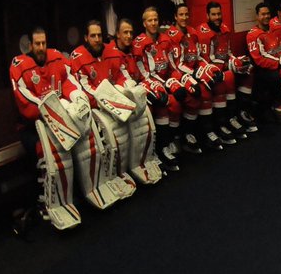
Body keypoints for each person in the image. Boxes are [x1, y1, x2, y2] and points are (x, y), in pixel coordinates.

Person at [10, 27, 94, 230]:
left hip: (59, 121)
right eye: (37, 44)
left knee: (84, 138)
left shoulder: (56, 57)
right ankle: (46, 201)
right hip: (31, 127)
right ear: (30, 45)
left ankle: (72, 195)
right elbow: (27, 105)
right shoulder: (19, 65)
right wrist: (53, 114)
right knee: (47, 151)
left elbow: (69, 82)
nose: (41, 47)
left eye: (43, 43)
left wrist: (77, 98)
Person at [68, 19, 143, 200]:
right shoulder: (78, 57)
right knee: (112, 134)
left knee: (129, 128)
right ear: (86, 37)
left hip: (113, 104)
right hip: (96, 107)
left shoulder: (112, 52)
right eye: (93, 36)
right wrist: (107, 100)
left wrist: (126, 91)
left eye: (99, 35)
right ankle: (106, 177)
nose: (97, 39)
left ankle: (122, 171)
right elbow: (84, 88)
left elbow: (122, 77)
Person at [109, 17, 166, 181]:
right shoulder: (111, 54)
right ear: (117, 34)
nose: (128, 36)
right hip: (120, 96)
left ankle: (151, 155)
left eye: (130, 33)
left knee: (160, 102)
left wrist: (153, 87)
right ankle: (134, 163)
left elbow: (142, 74)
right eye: (125, 33)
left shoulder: (135, 49)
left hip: (137, 89)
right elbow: (122, 80)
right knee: (143, 112)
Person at [168, 3, 227, 152]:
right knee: (200, 90)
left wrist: (208, 68)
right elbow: (177, 64)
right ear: (175, 17)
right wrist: (196, 74)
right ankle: (187, 134)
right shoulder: (172, 36)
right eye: (181, 15)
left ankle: (208, 130)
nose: (184, 17)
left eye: (186, 14)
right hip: (178, 75)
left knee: (217, 81)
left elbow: (199, 57)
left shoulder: (193, 32)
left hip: (192, 72)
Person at [133, 6, 186, 167]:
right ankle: (161, 147)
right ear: (144, 23)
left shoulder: (165, 39)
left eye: (155, 19)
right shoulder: (139, 43)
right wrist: (166, 85)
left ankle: (172, 139)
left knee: (179, 98)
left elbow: (172, 66)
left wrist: (179, 80)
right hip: (148, 84)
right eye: (150, 20)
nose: (153, 23)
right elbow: (144, 74)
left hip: (164, 81)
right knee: (164, 102)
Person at [198, 0, 257, 137]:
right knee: (229, 76)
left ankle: (241, 112)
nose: (217, 17)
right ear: (207, 16)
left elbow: (228, 52)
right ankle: (224, 121)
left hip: (224, 65)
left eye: (219, 14)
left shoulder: (225, 29)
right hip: (210, 69)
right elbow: (207, 60)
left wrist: (236, 60)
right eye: (213, 14)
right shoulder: (204, 32)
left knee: (248, 68)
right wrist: (229, 64)